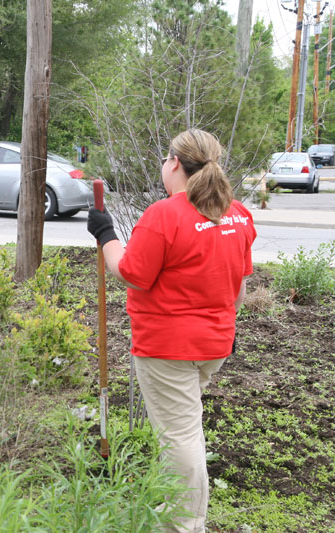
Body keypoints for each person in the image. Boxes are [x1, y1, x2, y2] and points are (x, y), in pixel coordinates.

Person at [86, 129, 256, 533]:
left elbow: (132, 274)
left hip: (168, 349)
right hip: (214, 343)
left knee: (180, 436)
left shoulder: (165, 215)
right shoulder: (238, 214)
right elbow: (240, 289)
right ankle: (179, 509)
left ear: (175, 163)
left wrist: (106, 234)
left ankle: (184, 524)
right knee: (186, 425)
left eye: (165, 158)